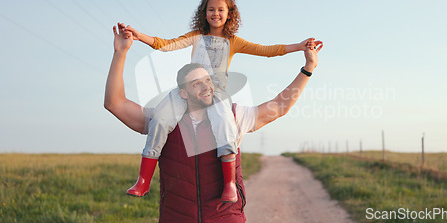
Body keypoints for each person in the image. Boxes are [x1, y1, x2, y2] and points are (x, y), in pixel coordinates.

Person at [105, 24, 322, 222]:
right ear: (183, 93)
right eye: (196, 84)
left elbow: (279, 106)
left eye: (207, 81)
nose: (206, 87)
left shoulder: (234, 116)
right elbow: (115, 103)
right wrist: (120, 53)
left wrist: (308, 68)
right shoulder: (162, 120)